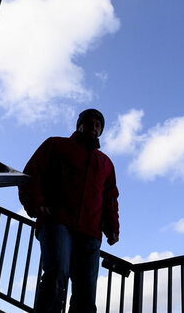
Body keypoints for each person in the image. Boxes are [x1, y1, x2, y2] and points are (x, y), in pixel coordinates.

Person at [19, 108, 120, 313]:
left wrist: (112, 226)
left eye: (98, 125)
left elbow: (110, 198)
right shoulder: (56, 145)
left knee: (86, 292)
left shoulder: (106, 163)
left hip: (91, 232)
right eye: (90, 123)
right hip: (56, 221)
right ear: (79, 125)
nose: (94, 127)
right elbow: (31, 174)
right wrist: (36, 203)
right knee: (57, 274)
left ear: (101, 131)